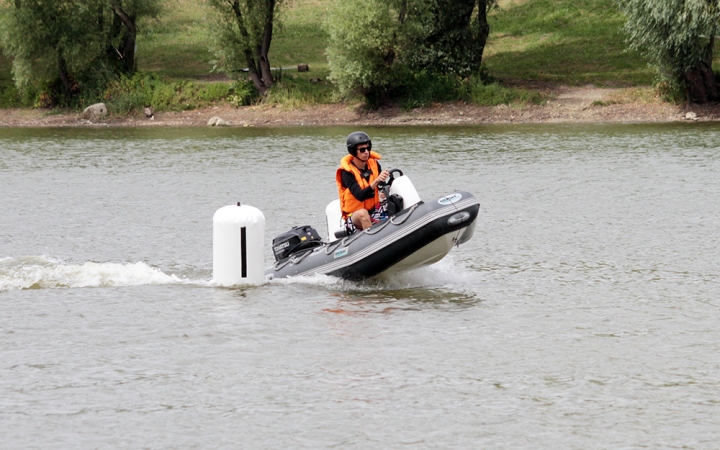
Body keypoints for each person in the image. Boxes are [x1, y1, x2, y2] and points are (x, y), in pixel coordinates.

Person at [335, 131, 390, 235]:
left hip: (374, 210)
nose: (366, 152)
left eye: (368, 148)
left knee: (395, 201)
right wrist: (376, 180)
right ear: (353, 151)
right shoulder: (346, 173)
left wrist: (384, 187)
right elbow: (360, 195)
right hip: (355, 216)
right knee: (363, 214)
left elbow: (380, 185)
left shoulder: (374, 163)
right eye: (362, 150)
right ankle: (373, 242)